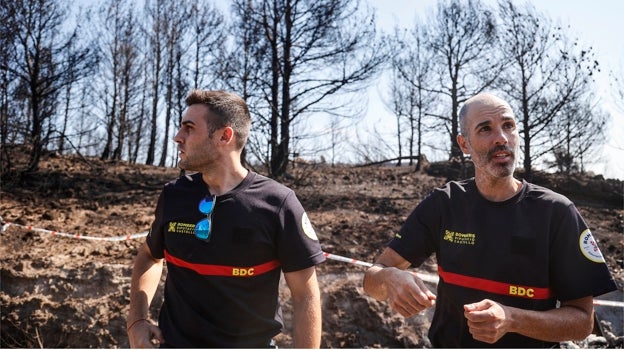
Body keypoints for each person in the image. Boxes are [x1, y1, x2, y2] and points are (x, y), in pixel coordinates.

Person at [363, 93, 617, 348]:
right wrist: (390, 277)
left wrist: (512, 319)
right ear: (464, 144)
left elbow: (583, 323)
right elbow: (371, 278)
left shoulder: (556, 212)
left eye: (508, 126)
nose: (501, 138)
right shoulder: (444, 204)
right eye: (485, 129)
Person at [127, 89, 325, 348]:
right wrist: (136, 321)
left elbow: (305, 296)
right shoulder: (173, 195)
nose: (178, 137)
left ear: (224, 136)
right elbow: (149, 257)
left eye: (189, 128)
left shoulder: (278, 204)